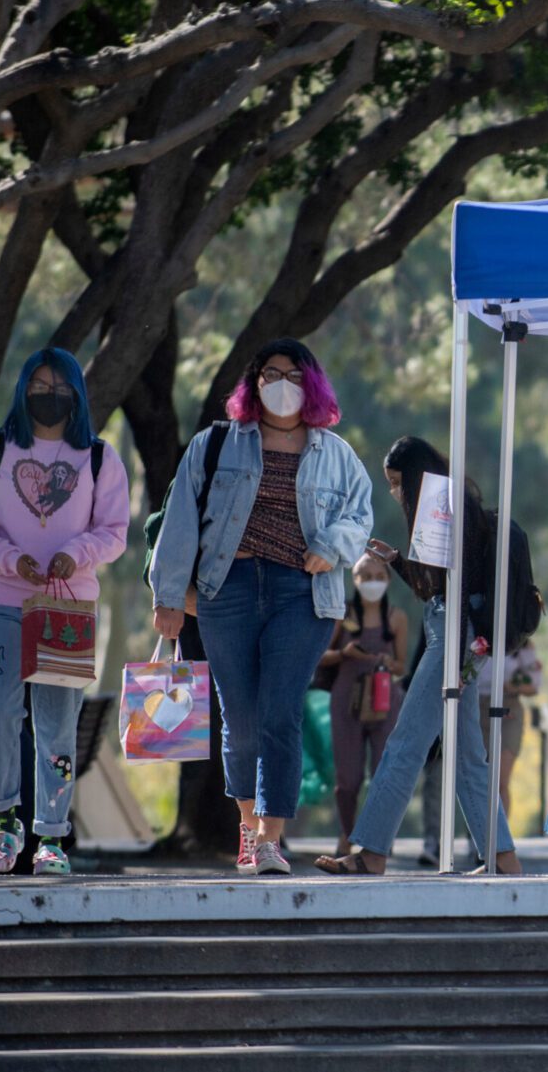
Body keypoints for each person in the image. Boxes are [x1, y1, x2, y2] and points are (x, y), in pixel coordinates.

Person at [150, 338, 375, 876]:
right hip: (226, 591)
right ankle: (248, 832)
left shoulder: (335, 453)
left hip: (301, 596)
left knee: (280, 712)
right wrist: (167, 595)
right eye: (271, 374)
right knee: (242, 720)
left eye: (294, 376)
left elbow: (361, 515)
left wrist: (333, 546)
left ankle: (271, 839)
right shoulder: (216, 443)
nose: (282, 385)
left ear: (312, 386)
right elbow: (180, 518)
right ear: (252, 383)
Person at [316, 437, 524, 876]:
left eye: (395, 483)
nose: (394, 491)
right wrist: (395, 558)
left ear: (411, 477)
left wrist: (398, 560)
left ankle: (371, 851)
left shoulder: (435, 503)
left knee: (405, 744)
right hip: (467, 637)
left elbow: (436, 590)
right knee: (469, 757)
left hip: (450, 635)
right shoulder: (457, 499)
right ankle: (502, 858)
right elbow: (444, 583)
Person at [0, 348, 129, 875]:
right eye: (39, 383)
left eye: (59, 385)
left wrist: (73, 555)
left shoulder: (100, 458)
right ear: (22, 388)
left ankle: (52, 837)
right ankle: (4, 821)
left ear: (77, 393)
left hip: (67, 607)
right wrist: (15, 561)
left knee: (57, 723)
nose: (48, 394)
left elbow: (114, 532)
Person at [321, 553, 408, 858]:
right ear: (354, 579)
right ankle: (347, 834)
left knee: (384, 771)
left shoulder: (396, 617)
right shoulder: (342, 614)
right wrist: (345, 653)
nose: (372, 582)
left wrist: (387, 662)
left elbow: (401, 665)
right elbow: (321, 655)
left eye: (378, 576)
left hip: (384, 700)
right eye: (365, 576)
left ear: (388, 580)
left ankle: (379, 837)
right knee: (348, 777)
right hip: (347, 699)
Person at [478, 640, 542, 813]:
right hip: (477, 708)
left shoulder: (522, 644)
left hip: (508, 709)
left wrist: (512, 686)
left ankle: (500, 835)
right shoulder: (476, 637)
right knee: (481, 779)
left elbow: (533, 686)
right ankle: (478, 831)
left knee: (500, 781)